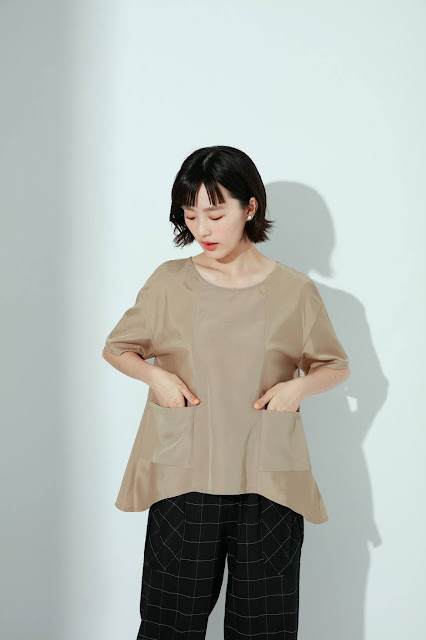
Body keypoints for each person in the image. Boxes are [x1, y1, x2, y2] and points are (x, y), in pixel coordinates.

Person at [102, 145, 351, 639]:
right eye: (190, 214)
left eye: (215, 214)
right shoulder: (169, 282)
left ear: (250, 207)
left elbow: (335, 365)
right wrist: (157, 378)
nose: (202, 229)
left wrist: (296, 389)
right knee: (169, 626)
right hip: (185, 478)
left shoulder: (295, 290)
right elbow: (118, 348)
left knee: (265, 630)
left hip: (268, 482)